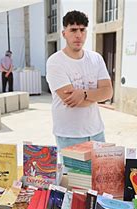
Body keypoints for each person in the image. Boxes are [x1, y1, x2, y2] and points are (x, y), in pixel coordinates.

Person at [46, 10, 113, 150]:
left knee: (101, 172)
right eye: (73, 30)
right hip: (69, 135)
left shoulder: (96, 58)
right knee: (72, 173)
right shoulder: (55, 62)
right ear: (64, 33)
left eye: (82, 30)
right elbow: (72, 101)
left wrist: (83, 93)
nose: (78, 35)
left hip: (96, 132)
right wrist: (96, 94)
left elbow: (108, 92)